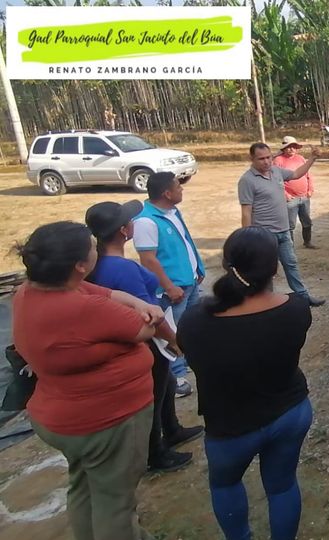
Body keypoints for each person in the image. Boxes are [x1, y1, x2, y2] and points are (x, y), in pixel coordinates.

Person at [12, 221, 164, 540]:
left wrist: (136, 302)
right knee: (115, 503)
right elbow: (145, 329)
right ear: (80, 266)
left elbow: (103, 292)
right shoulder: (83, 308)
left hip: (61, 418)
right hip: (105, 422)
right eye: (92, 247)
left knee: (84, 486)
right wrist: (147, 311)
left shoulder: (31, 291)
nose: (97, 248)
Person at [177, 227, 314, 540]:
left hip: (230, 428)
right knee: (282, 485)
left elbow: (189, 353)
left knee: (225, 485)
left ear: (226, 264)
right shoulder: (296, 309)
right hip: (290, 414)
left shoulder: (196, 320)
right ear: (275, 268)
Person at [85, 200, 204, 473]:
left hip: (126, 338)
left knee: (166, 383)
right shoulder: (122, 269)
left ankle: (172, 429)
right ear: (123, 230)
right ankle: (155, 453)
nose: (133, 223)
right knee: (153, 394)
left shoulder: (98, 265)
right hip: (146, 341)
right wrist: (174, 340)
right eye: (130, 220)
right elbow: (150, 315)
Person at [134, 172, 206, 398]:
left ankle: (190, 360)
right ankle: (176, 377)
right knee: (171, 330)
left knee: (189, 326)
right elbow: (148, 260)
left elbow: (185, 242)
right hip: (173, 289)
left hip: (189, 282)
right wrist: (168, 287)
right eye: (178, 187)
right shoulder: (145, 221)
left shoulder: (173, 212)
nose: (181, 189)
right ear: (167, 193)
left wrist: (198, 268)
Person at [238, 142, 325, 307]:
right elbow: (246, 212)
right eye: (261, 159)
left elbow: (297, 174)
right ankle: (267, 303)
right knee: (266, 271)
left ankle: (303, 297)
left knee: (291, 265)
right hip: (264, 236)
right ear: (251, 159)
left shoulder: (276, 171)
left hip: (284, 232)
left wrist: (312, 158)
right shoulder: (247, 181)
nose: (266, 162)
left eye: (268, 157)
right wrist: (248, 239)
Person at [273, 136, 317, 249]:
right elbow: (276, 180)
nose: (291, 149)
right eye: (289, 147)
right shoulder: (278, 161)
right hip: (290, 199)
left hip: (304, 196)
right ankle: (290, 246)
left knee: (307, 221)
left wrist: (310, 188)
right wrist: (285, 194)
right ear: (284, 148)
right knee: (290, 224)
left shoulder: (300, 158)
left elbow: (307, 174)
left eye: (294, 146)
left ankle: (307, 242)